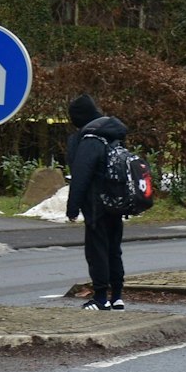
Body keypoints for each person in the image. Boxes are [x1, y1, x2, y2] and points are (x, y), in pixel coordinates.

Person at [65, 93, 127, 310]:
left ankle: (101, 298)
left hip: (96, 205)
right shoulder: (111, 134)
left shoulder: (90, 139)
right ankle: (117, 296)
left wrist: (72, 207)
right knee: (113, 250)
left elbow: (81, 175)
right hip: (116, 203)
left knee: (96, 250)